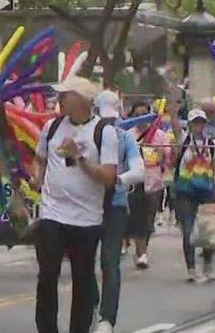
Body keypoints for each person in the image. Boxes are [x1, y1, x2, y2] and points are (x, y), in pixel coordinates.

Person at [32, 76, 118, 333]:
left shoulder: (105, 132)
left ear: (80, 100)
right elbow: (39, 158)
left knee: (82, 280)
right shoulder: (52, 126)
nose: (59, 99)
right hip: (52, 213)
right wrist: (37, 176)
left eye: (65, 95)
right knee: (47, 275)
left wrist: (78, 156)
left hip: (87, 218)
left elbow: (108, 177)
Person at [95, 90, 144, 333]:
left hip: (114, 205)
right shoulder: (89, 136)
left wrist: (118, 180)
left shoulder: (125, 138)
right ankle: (92, 307)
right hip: (87, 205)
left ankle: (107, 317)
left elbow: (139, 170)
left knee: (109, 261)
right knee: (84, 261)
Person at [171, 108, 215, 282]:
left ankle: (207, 266)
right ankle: (191, 269)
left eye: (201, 122)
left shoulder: (211, 144)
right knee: (189, 229)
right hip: (185, 191)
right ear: (190, 124)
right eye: (195, 122)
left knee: (207, 229)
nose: (198, 126)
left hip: (206, 192)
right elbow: (175, 123)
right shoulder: (183, 141)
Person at [126, 101, 169, 269]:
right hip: (134, 183)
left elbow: (166, 157)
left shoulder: (160, 136)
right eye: (137, 115)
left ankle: (143, 250)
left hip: (153, 183)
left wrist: (160, 154)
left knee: (148, 220)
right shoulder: (128, 135)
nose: (141, 119)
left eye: (144, 114)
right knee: (136, 218)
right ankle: (140, 251)